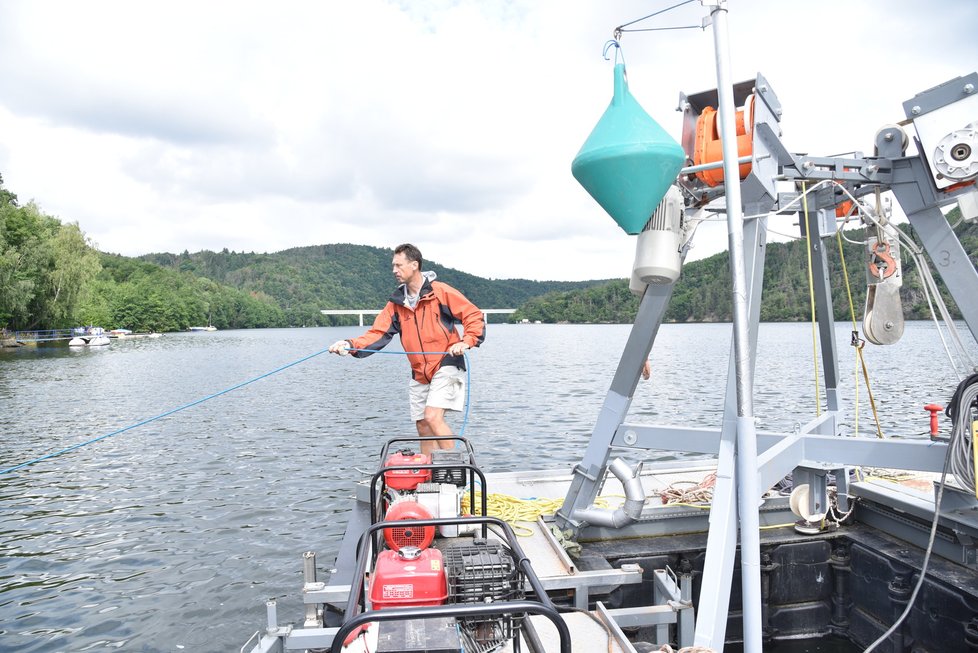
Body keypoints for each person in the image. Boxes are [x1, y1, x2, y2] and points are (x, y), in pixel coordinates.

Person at [328, 243, 486, 454]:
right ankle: (428, 474)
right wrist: (349, 345)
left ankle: (455, 472)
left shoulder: (440, 292)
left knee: (432, 416)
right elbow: (377, 334)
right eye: (393, 266)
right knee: (422, 424)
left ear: (414, 265)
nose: (394, 270)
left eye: (398, 265)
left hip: (446, 362)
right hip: (419, 371)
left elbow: (473, 315)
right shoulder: (396, 303)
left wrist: (466, 341)